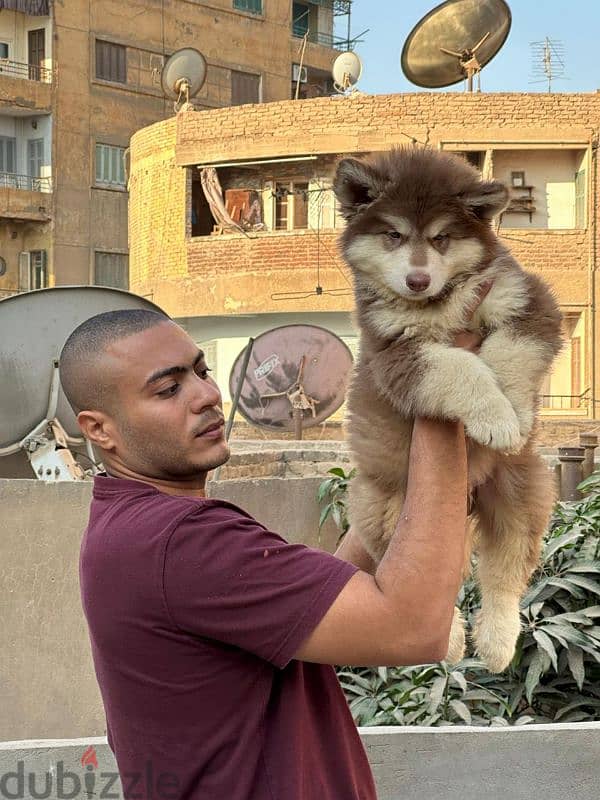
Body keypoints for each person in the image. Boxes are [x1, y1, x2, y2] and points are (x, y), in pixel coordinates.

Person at [60, 298, 486, 800]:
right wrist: (443, 390)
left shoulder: (134, 527)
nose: (207, 395)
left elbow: (315, 607)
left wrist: (395, 479)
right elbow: (414, 629)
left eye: (202, 371)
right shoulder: (180, 541)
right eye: (170, 388)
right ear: (98, 429)